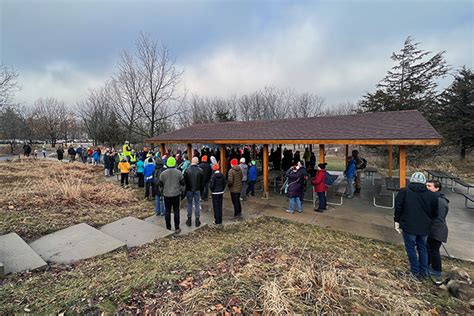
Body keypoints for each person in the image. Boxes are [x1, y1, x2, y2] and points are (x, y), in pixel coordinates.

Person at [394, 172, 439, 279]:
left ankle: (414, 272)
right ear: (424, 182)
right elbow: (435, 213)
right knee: (422, 248)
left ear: (411, 180)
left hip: (408, 226)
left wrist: (397, 221)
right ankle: (423, 272)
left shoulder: (404, 192)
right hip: (424, 227)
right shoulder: (432, 195)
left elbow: (398, 207)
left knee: (411, 249)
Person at [426, 179, 449, 279]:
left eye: (429, 186)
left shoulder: (439, 201)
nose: (426, 187)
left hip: (437, 230)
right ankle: (428, 265)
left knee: (434, 250)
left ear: (437, 188)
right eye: (426, 185)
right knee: (429, 248)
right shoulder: (435, 198)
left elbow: (438, 218)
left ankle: (437, 270)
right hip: (434, 229)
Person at [159, 157, 185, 234]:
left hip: (166, 195)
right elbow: (183, 184)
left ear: (167, 163)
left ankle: (168, 227)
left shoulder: (163, 174)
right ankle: (177, 227)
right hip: (176, 194)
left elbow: (160, 185)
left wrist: (162, 193)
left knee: (167, 211)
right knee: (176, 211)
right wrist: (182, 192)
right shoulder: (179, 173)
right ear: (174, 163)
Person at [184, 157, 204, 227]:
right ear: (197, 162)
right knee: (197, 205)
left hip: (189, 190)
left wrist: (185, 191)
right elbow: (202, 182)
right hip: (197, 189)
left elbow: (185, 182)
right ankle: (197, 220)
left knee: (189, 204)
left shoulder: (187, 170)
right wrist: (202, 191)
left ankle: (189, 220)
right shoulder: (200, 170)